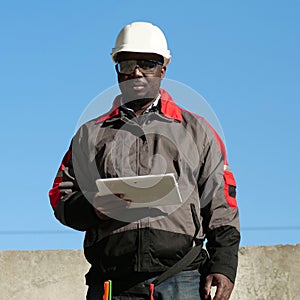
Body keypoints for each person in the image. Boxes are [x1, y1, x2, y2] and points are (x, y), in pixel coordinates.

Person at [49, 21, 240, 300]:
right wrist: (95, 207)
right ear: (117, 70)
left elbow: (222, 202)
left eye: (147, 63)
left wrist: (224, 263)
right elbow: (60, 197)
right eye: (127, 64)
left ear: (163, 68)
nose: (137, 72)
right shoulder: (89, 135)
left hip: (182, 279)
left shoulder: (197, 131)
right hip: (112, 284)